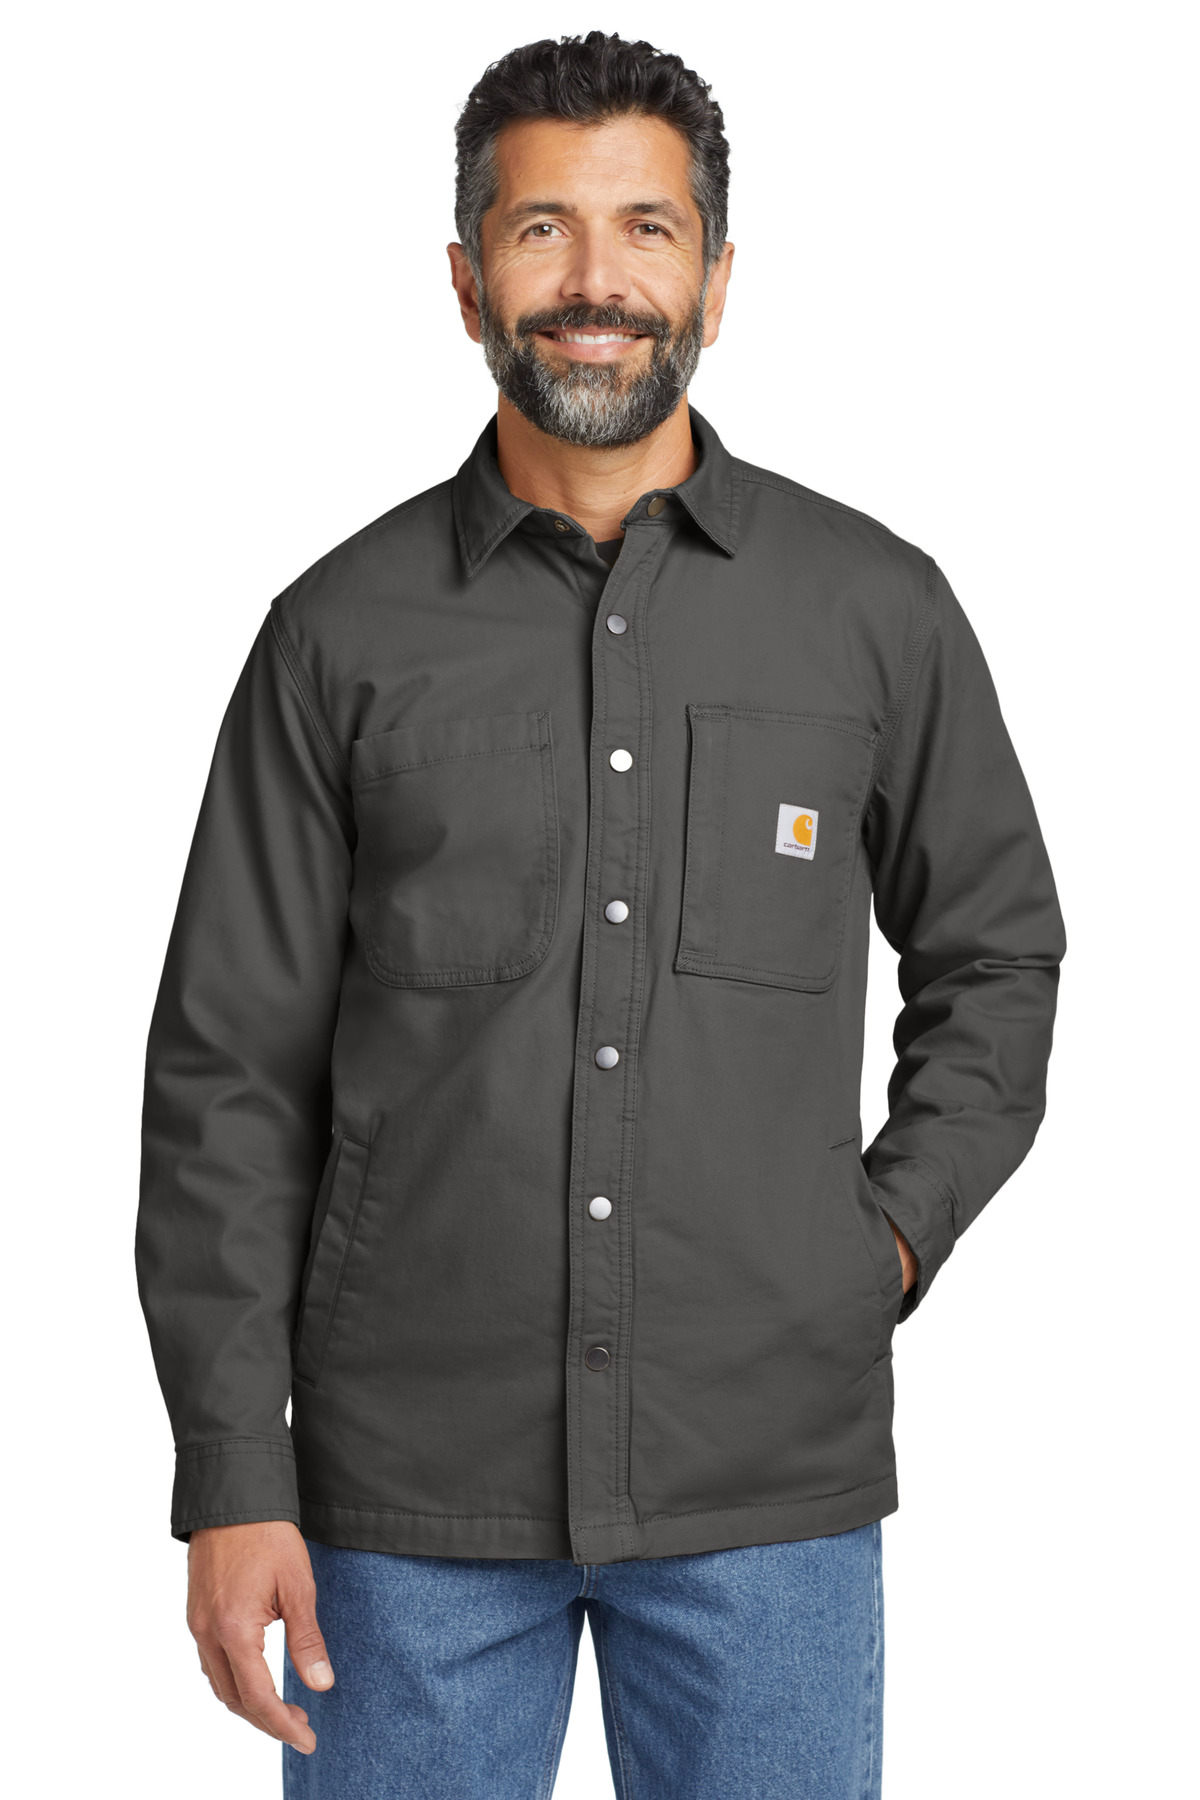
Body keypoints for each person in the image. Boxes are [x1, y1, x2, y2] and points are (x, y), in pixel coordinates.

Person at [136, 30, 1066, 1800]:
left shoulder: (875, 611)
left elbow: (997, 952)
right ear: (466, 279)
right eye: (541, 228)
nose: (595, 282)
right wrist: (232, 1472)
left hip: (764, 1483)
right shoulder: (337, 635)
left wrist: (885, 1238)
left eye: (646, 228)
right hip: (401, 1503)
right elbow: (226, 1076)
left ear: (717, 275)